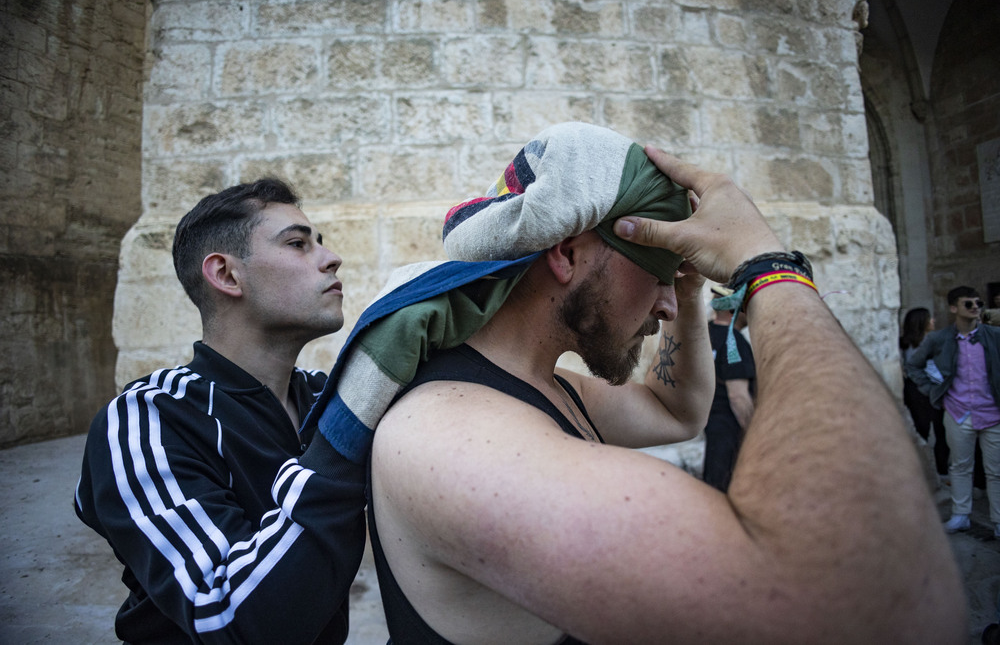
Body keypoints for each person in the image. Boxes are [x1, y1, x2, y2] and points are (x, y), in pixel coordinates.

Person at [302, 122, 965, 643]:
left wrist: (684, 277)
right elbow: (868, 615)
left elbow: (674, 409)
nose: (670, 308)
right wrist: (771, 273)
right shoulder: (452, 436)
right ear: (565, 253)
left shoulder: (538, 386)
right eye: (656, 274)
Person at [75, 179, 367, 643]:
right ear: (227, 275)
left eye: (321, 242)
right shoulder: (150, 416)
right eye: (297, 243)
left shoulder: (323, 399)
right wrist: (348, 432)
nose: (331, 258)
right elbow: (228, 615)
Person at [906, 286, 1000, 538]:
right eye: (968, 303)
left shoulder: (993, 335)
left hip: (993, 414)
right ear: (953, 307)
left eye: (978, 303)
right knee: (960, 466)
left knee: (996, 470)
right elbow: (913, 366)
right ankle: (961, 516)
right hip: (958, 412)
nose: (975, 307)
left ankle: (999, 520)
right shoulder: (939, 338)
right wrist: (934, 392)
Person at [702, 284, 755, 491]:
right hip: (730, 429)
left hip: (710, 423)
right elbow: (738, 397)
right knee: (725, 488)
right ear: (734, 309)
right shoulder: (735, 342)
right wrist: (754, 436)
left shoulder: (705, 334)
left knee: (713, 483)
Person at [900, 307, 949, 476]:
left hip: (926, 388)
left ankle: (940, 470)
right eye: (930, 318)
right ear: (922, 322)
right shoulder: (909, 343)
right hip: (921, 389)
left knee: (940, 431)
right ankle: (925, 471)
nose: (933, 321)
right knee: (924, 430)